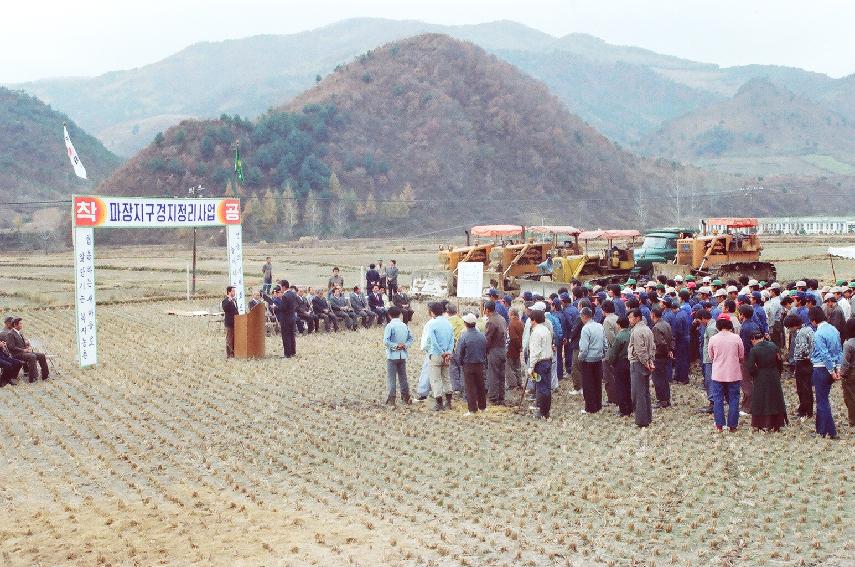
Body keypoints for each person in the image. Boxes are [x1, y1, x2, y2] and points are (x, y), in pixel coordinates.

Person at [809, 307, 842, 439]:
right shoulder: (834, 329)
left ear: (814, 320)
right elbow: (839, 351)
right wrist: (837, 369)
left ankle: (826, 431)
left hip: (821, 368)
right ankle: (823, 430)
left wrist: (831, 370)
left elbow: (824, 354)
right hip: (832, 367)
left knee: (822, 401)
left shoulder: (818, 334)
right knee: (824, 399)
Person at [745, 330, 788, 431]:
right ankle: (777, 423)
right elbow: (779, 361)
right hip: (774, 375)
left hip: (761, 376)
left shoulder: (754, 350)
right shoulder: (773, 346)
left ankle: (761, 423)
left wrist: (755, 374)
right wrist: (778, 372)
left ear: (754, 340)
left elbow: (750, 367)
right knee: (775, 399)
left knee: (761, 400)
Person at [708, 316, 744, 432]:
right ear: (730, 325)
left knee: (718, 399)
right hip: (733, 372)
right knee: (734, 399)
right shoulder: (736, 338)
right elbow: (741, 355)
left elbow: (711, 356)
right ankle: (732, 425)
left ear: (718, 325)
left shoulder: (713, 339)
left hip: (718, 373)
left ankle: (719, 425)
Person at [455, 313, 488, 415]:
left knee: (470, 387)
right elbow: (485, 350)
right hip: (480, 364)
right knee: (480, 386)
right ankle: (482, 407)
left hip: (468, 364)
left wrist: (460, 362)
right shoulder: (482, 336)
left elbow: (460, 352)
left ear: (465, 324)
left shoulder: (464, 336)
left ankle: (472, 409)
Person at [627, 309, 655, 428]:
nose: (629, 320)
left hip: (638, 363)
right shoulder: (647, 329)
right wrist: (650, 361)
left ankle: (641, 420)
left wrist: (645, 362)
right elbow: (652, 347)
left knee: (638, 393)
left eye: (631, 317)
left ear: (637, 318)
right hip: (646, 362)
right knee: (645, 392)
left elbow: (640, 350)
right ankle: (647, 417)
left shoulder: (637, 331)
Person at [785, 313, 814, 419]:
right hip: (809, 363)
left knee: (802, 389)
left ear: (794, 325)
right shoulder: (808, 329)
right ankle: (808, 409)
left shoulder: (801, 333)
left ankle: (804, 410)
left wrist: (796, 359)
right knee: (807, 388)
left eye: (789, 327)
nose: (789, 329)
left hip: (802, 363)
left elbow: (803, 350)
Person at [427, 302, 455, 411]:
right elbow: (452, 340)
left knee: (436, 379)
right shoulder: (448, 323)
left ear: (433, 312)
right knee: (447, 378)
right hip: (447, 355)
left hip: (436, 354)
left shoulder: (432, 324)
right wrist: (448, 352)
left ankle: (439, 403)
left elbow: (433, 342)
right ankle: (449, 402)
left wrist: (441, 352)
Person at [383, 306, 413, 406]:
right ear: (400, 314)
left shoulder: (389, 326)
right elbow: (410, 339)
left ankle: (392, 399)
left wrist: (395, 346)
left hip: (392, 355)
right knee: (403, 377)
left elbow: (386, 341)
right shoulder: (404, 325)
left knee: (392, 378)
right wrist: (404, 345)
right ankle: (406, 397)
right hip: (403, 354)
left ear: (389, 315)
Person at [578, 307, 605, 414]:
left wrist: (580, 358)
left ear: (584, 317)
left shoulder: (585, 329)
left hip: (588, 360)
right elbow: (605, 342)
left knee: (588, 384)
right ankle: (598, 405)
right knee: (597, 382)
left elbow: (584, 348)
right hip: (598, 358)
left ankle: (590, 407)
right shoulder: (599, 326)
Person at [528, 309, 553, 420]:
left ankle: (541, 411)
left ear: (533, 320)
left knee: (540, 387)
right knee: (547, 387)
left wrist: (531, 367)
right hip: (548, 361)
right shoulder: (546, 330)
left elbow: (535, 352)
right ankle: (546, 410)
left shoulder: (536, 333)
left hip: (539, 364)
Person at [606, 315, 632, 417]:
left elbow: (613, 353)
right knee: (628, 385)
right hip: (629, 362)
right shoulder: (630, 334)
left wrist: (611, 363)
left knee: (620, 386)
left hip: (620, 363)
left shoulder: (619, 337)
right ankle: (630, 406)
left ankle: (623, 410)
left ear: (619, 325)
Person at [484, 300, 508, 405]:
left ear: (487, 310)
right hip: (503, 349)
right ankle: (501, 397)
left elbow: (487, 339)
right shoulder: (502, 319)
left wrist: (484, 351)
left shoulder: (491, 321)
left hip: (495, 350)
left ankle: (493, 398)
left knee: (493, 374)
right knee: (501, 375)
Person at [651, 307, 674, 409]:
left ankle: (662, 400)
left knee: (658, 379)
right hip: (666, 355)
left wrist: (664, 351)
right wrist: (670, 350)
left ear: (653, 315)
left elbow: (660, 343)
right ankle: (666, 399)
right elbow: (671, 339)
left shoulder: (656, 327)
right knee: (664, 379)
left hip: (659, 356)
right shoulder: (666, 324)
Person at [446, 304, 466, 396]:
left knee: (453, 367)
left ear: (447, 312)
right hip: (463, 346)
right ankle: (463, 387)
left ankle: (456, 388)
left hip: (453, 347)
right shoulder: (462, 320)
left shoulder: (447, 322)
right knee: (462, 367)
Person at [274, 284, 297, 358]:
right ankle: (293, 352)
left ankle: (287, 353)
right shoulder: (293, 294)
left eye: (281, 287)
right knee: (291, 335)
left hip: (285, 319)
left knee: (286, 336)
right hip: (292, 317)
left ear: (283, 287)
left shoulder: (285, 296)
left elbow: (283, 308)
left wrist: (275, 307)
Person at [601, 300, 618, 404]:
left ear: (604, 310)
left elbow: (610, 338)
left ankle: (612, 397)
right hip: (620, 350)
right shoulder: (617, 317)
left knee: (608, 376)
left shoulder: (607, 321)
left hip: (611, 351)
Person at [839, 318, 855, 428]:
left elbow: (845, 362)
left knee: (850, 398)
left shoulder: (848, 344)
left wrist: (842, 374)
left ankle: (852, 420)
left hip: (851, 373)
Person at [506, 308, 525, 391]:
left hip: (512, 349)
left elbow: (513, 338)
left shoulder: (512, 324)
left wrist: (518, 346)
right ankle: (519, 383)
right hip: (518, 348)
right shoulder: (521, 323)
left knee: (511, 367)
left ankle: (513, 384)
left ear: (511, 314)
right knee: (518, 366)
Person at [221, 286, 239, 358]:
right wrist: (229, 300)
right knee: (229, 339)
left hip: (236, 322)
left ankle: (234, 353)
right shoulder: (226, 300)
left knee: (234, 339)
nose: (234, 293)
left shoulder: (234, 300)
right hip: (229, 323)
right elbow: (225, 308)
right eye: (233, 291)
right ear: (229, 292)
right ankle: (229, 354)